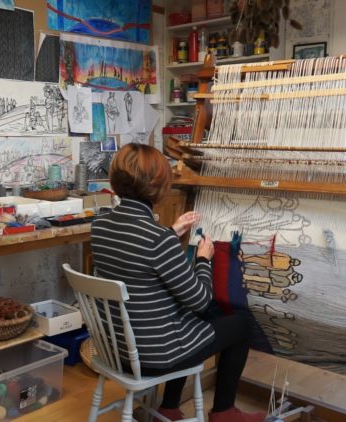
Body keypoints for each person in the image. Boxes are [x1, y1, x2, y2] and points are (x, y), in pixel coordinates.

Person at [91, 143, 265, 422]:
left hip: (115, 350)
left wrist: (173, 233)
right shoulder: (157, 240)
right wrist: (204, 259)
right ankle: (224, 413)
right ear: (159, 187)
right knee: (239, 324)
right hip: (153, 357)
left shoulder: (99, 225)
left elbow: (139, 258)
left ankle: (170, 406)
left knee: (185, 316)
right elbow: (200, 299)